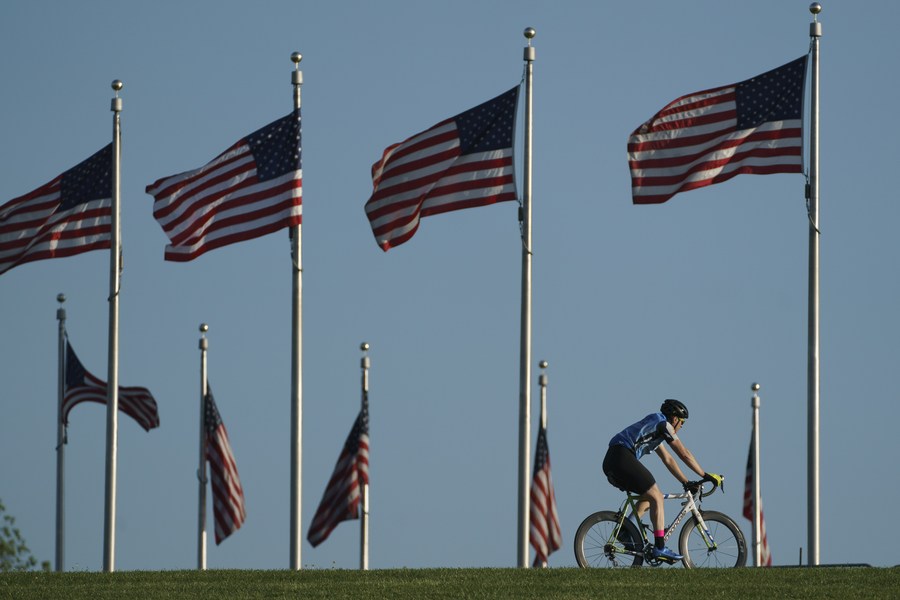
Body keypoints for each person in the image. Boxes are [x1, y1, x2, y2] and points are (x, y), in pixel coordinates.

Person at [602, 399, 723, 562]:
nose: (681, 427)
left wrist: (686, 482)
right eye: (682, 423)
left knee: (649, 497)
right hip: (622, 457)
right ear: (675, 419)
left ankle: (624, 530)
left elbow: (668, 459)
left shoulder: (655, 426)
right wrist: (705, 475)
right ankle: (659, 547)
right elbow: (684, 454)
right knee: (657, 497)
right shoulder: (664, 425)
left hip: (611, 461)